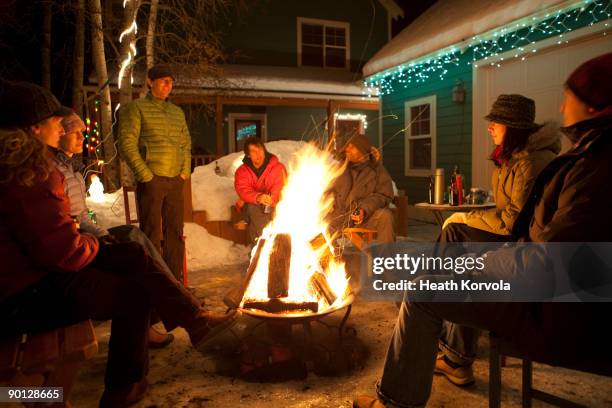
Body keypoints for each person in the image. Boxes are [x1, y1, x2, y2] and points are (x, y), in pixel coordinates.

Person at [354, 52, 612, 408]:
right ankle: (456, 356)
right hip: (551, 292)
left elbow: (552, 256)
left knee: (423, 290)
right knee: (455, 248)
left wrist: (486, 264)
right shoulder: (589, 157)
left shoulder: (595, 169)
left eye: (571, 98)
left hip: (556, 310)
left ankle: (396, 401)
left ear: (596, 107)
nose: (562, 105)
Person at [0, 82, 237, 408]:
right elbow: (64, 253)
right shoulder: (30, 172)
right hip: (22, 295)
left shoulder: (19, 167)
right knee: (133, 282)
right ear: (34, 128)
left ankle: (190, 325)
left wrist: (93, 241)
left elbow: (53, 241)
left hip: (25, 279)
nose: (61, 127)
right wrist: (94, 242)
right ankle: (129, 381)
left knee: (131, 249)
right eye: (57, 122)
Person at [435, 95, 561, 385]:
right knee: (454, 246)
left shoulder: (531, 162)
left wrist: (466, 218)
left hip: (525, 247)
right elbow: (508, 210)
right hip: (517, 238)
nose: (490, 126)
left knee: (455, 239)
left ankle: (450, 338)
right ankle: (451, 336)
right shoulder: (515, 158)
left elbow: (514, 222)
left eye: (496, 122)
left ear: (513, 127)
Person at [54, 112, 175, 348]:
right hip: (72, 244)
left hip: (84, 235)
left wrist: (100, 232)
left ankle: (161, 312)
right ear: (60, 134)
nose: (81, 136)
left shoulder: (74, 171)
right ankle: (173, 306)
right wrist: (98, 236)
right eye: (74, 132)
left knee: (133, 236)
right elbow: (67, 223)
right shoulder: (54, 171)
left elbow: (82, 217)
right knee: (132, 251)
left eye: (82, 131)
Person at [118, 64, 191, 282]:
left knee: (175, 233)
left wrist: (184, 172)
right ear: (150, 82)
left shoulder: (176, 112)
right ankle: (155, 283)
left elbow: (185, 144)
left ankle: (175, 282)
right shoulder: (136, 108)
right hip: (153, 179)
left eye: (171, 81)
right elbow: (127, 144)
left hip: (175, 180)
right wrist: (145, 175)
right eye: (163, 81)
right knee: (151, 233)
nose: (168, 85)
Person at [328, 133, 395, 243]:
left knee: (385, 217)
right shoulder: (340, 168)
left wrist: (364, 209)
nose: (347, 149)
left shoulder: (377, 170)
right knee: (316, 223)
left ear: (362, 150)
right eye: (347, 146)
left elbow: (384, 195)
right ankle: (332, 258)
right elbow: (326, 190)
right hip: (338, 217)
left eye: (352, 147)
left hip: (365, 217)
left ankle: (386, 258)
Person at [234, 136, 287, 243]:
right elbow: (243, 191)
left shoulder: (278, 168)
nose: (258, 154)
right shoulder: (242, 171)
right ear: (248, 155)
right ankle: (270, 243)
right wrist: (258, 197)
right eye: (254, 151)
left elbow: (280, 188)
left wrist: (269, 200)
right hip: (251, 207)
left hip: (273, 205)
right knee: (253, 208)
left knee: (256, 222)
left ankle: (258, 251)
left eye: (260, 150)